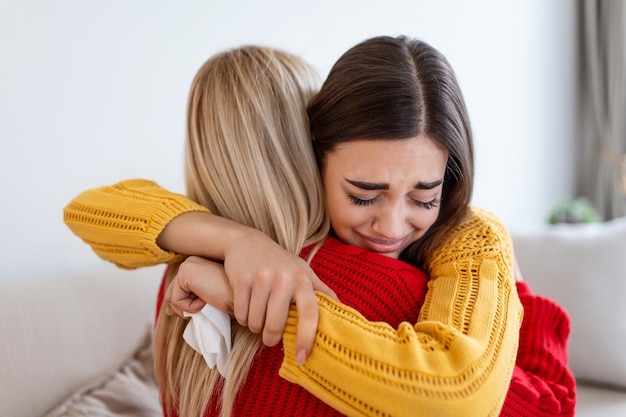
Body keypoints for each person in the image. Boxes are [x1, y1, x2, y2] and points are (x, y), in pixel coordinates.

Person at [64, 36, 576, 416]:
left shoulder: (180, 273)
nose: (392, 226)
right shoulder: (391, 290)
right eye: (363, 194)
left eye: (425, 197)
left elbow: (86, 210)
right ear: (313, 156)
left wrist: (232, 245)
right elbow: (546, 405)